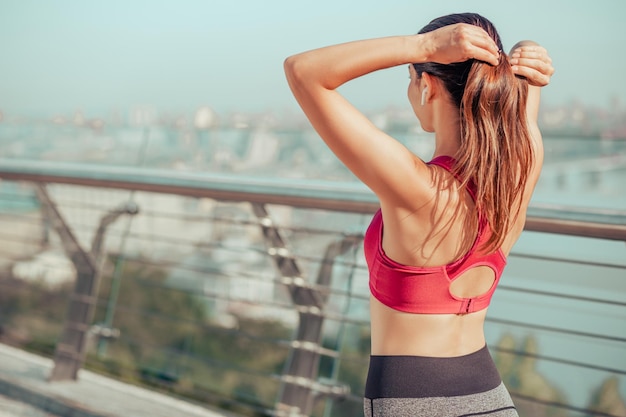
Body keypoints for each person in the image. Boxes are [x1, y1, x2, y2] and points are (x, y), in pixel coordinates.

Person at [284, 11, 554, 417]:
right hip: (492, 399)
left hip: (412, 405)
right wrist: (527, 62)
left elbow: (303, 71)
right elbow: (520, 114)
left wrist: (424, 48)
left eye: (410, 79)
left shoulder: (419, 190)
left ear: (425, 85)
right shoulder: (520, 171)